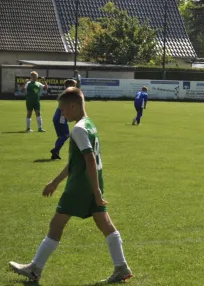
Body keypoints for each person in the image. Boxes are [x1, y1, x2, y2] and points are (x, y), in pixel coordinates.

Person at [9, 87, 133, 283]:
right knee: (105, 223)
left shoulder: (78, 129)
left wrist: (96, 191)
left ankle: (34, 269)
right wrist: (55, 182)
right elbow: (78, 161)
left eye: (63, 109)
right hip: (92, 182)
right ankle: (121, 267)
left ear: (73, 106)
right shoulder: (89, 124)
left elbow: (89, 160)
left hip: (80, 186)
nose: (62, 113)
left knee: (56, 224)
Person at [50, 79, 77, 160]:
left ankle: (55, 154)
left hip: (57, 117)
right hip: (61, 117)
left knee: (61, 136)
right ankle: (55, 150)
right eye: (74, 85)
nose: (75, 87)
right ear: (70, 86)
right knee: (65, 135)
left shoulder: (65, 94)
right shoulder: (68, 94)